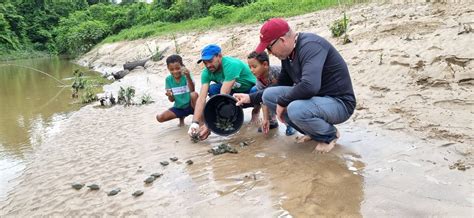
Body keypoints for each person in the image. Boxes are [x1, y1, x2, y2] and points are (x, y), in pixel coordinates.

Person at [234, 18, 356, 153]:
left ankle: (329, 135)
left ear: (282, 40)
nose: (269, 53)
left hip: (340, 103)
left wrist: (283, 101)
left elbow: (310, 86)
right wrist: (250, 98)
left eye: (269, 47)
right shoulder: (288, 55)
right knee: (269, 95)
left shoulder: (311, 46)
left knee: (295, 108)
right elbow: (281, 84)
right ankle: (314, 132)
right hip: (316, 101)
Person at [187, 44, 257, 140]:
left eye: (210, 61)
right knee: (212, 89)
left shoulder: (231, 65)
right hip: (235, 93)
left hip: (250, 92)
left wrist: (209, 126)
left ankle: (256, 111)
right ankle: (233, 115)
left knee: (255, 90)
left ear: (219, 56)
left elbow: (223, 96)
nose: (208, 65)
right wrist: (195, 123)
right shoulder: (206, 73)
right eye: (205, 62)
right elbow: (201, 98)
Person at [247, 51, 296, 136]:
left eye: (254, 67)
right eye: (249, 67)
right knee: (263, 97)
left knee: (277, 99)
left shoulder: (277, 71)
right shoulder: (259, 81)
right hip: (272, 97)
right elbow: (263, 100)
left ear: (265, 65)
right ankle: (271, 121)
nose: (251, 70)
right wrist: (265, 119)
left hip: (289, 94)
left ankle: (291, 124)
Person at [156, 54, 198, 127]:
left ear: (182, 67)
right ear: (168, 69)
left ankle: (197, 120)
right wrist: (170, 95)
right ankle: (181, 118)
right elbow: (171, 100)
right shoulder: (168, 79)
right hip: (179, 108)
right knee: (160, 118)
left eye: (177, 68)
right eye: (172, 69)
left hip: (191, 106)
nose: (175, 71)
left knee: (194, 94)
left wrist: (188, 76)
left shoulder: (186, 75)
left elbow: (192, 90)